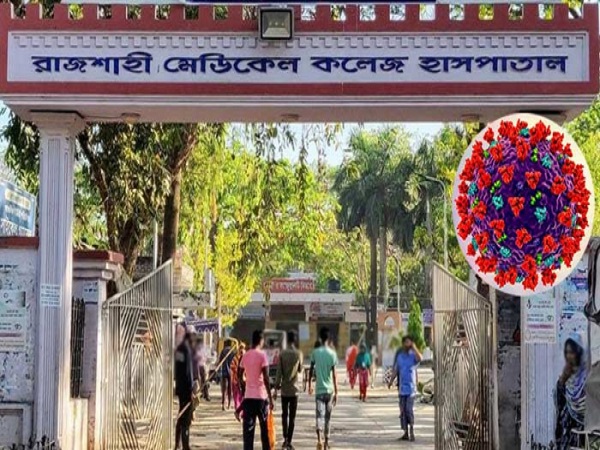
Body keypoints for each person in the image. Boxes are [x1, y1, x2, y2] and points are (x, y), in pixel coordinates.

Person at [239, 330, 274, 450]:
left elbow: (239, 375)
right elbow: (266, 378)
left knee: (248, 433)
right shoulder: (263, 355)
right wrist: (270, 398)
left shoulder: (245, 355)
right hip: (261, 398)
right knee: (264, 431)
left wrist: (244, 387)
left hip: (249, 398)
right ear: (261, 340)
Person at [555, 334, 587, 450]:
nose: (569, 356)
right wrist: (562, 381)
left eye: (572, 352)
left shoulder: (587, 375)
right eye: (567, 352)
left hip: (587, 429)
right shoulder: (566, 375)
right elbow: (560, 402)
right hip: (568, 428)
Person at [309, 328, 339, 450]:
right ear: (328, 338)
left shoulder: (315, 353)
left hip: (319, 391)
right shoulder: (332, 354)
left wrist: (309, 385)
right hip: (329, 391)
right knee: (327, 418)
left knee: (319, 416)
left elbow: (311, 369)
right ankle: (326, 443)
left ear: (320, 338)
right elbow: (335, 375)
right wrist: (337, 392)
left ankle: (319, 440)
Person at [388, 335, 422, 442]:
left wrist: (414, 347)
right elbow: (395, 370)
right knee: (402, 412)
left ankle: (411, 430)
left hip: (411, 389)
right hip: (402, 388)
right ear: (403, 344)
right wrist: (391, 381)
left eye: (409, 342)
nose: (408, 344)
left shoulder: (413, 356)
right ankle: (405, 433)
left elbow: (420, 358)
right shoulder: (400, 357)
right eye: (406, 342)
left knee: (408, 410)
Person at [275, 330, 304, 450]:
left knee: (284, 415)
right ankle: (289, 441)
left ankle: (285, 438)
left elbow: (279, 372)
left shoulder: (282, 354)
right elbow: (300, 369)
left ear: (287, 340)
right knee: (292, 417)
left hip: (284, 390)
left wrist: (276, 387)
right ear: (295, 340)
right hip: (294, 390)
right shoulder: (298, 353)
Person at [175, 332, 195, 450]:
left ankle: (177, 443)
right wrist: (191, 389)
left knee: (181, 415)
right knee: (186, 418)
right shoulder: (187, 350)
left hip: (180, 388)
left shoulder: (179, 350)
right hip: (186, 390)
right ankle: (185, 445)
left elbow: (177, 370)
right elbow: (188, 372)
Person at [218, 339, 236, 411]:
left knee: (224, 389)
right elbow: (235, 361)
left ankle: (223, 405)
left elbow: (220, 361)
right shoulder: (232, 351)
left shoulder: (223, 351)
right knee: (230, 389)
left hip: (224, 371)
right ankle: (229, 404)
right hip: (231, 372)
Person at [231, 342, 247, 413]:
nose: (242, 350)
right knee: (237, 395)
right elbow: (233, 367)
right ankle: (238, 409)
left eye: (243, 348)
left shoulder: (244, 357)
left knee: (240, 395)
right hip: (237, 379)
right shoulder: (236, 358)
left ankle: (240, 410)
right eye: (241, 348)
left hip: (242, 379)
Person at [195, 336, 211, 401]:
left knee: (201, 381)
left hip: (199, 367)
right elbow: (206, 358)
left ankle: (204, 394)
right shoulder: (201, 349)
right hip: (201, 366)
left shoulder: (196, 349)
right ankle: (205, 395)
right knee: (203, 381)